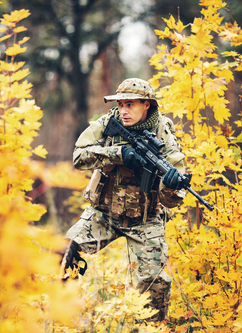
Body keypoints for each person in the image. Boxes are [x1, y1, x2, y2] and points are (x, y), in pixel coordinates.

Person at [62, 78, 187, 322]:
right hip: (104, 213)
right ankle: (62, 316)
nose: (123, 110)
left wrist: (171, 186)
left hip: (146, 219)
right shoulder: (109, 122)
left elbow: (172, 201)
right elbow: (78, 156)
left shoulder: (163, 133)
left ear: (147, 105)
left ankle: (150, 328)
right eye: (120, 104)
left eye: (130, 105)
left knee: (154, 282)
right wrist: (118, 154)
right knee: (66, 253)